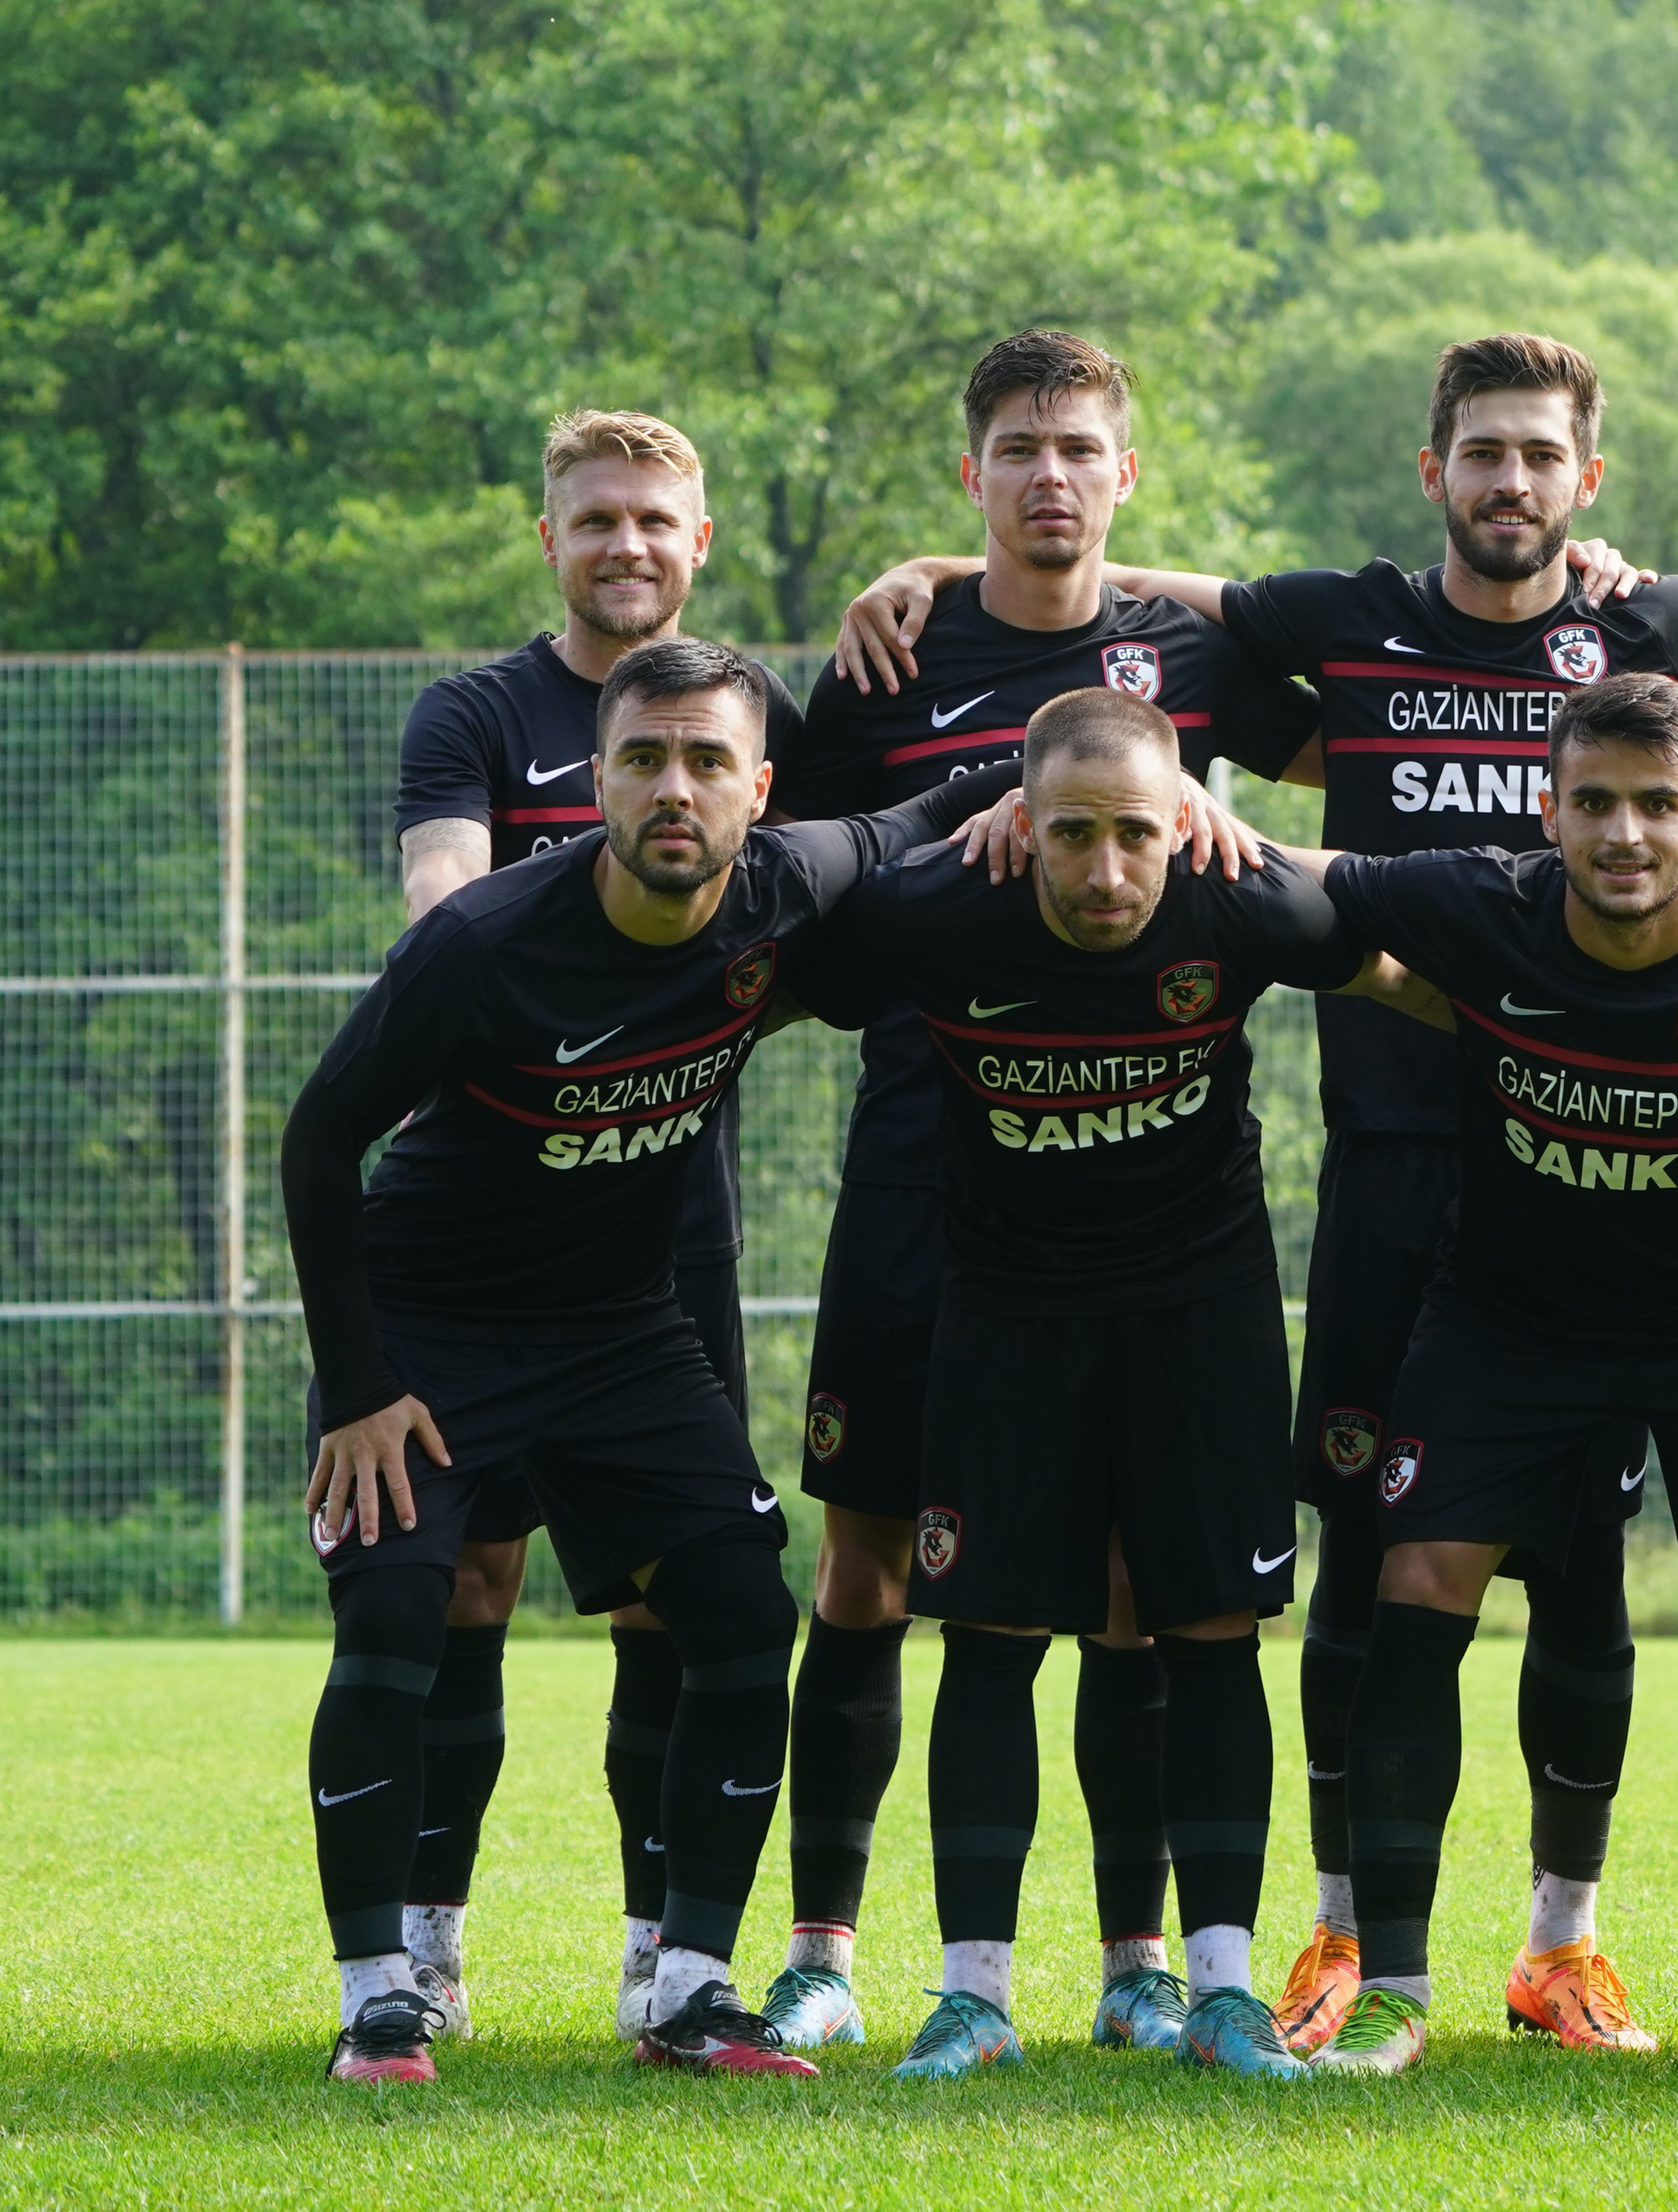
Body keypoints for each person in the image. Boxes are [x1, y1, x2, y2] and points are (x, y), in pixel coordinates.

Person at [837, 332, 1678, 2057]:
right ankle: (1345, 1947)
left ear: (1585, 482)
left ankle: (1578, 1941)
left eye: (1543, 457)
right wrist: (953, 579)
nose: (1513, 484)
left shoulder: (1662, 630)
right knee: (1382, 1561)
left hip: (1652, 1199)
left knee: (1595, 1577)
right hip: (1410, 1172)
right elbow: (1168, 609)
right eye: (1484, 455)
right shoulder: (1341, 627)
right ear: (1435, 470)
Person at [287, 637, 1014, 2085]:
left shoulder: (782, 888)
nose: (673, 789)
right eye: (641, 759)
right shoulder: (486, 943)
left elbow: (925, 812)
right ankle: (382, 1998)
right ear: (598, 783)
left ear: (757, 790)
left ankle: (688, 1991)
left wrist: (1116, 774)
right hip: (432, 1331)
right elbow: (320, 1140)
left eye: (705, 763)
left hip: (621, 1337)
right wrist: (361, 1388)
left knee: (742, 1616)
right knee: (397, 1624)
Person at [757, 329, 1311, 2054]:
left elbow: (1352, 755)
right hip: (934, 1161)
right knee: (875, 1570)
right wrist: (981, 794)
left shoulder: (1201, 658)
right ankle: (831, 1951)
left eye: (1080, 448)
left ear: (1122, 477)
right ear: (975, 476)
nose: (1050, 475)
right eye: (1018, 450)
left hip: (1145, 1180)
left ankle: (1146, 1965)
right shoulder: (893, 655)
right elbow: (825, 887)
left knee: (1150, 1581)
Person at [1285, 671, 1678, 2082]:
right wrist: (1148, 816)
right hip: (1511, 1314)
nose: (1624, 832)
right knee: (1416, 1576)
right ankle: (1391, 1985)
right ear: (1548, 810)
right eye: (1593, 802)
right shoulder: (1479, 902)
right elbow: (1303, 880)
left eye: (1655, 804)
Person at [782, 688, 1430, 2080]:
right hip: (1006, 1313)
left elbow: (1408, 962)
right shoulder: (936, 910)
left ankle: (1224, 1991)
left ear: (1184, 820)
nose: (1107, 870)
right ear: (1021, 820)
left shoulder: (1241, 898)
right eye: (1071, 833)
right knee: (990, 1633)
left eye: (1137, 831)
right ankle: (974, 1996)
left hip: (1202, 1315)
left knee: (1208, 1631)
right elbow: (793, 951)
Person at [384, 409, 805, 2038]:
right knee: (467, 1579)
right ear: (547, 538)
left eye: (656, 521)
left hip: (660, 1222)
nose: (627, 543)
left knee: (669, 1594)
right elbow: (443, 903)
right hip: (484, 1219)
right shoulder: (478, 713)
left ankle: (664, 1956)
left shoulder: (737, 710)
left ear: (701, 544)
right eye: (597, 518)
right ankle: (424, 1949)